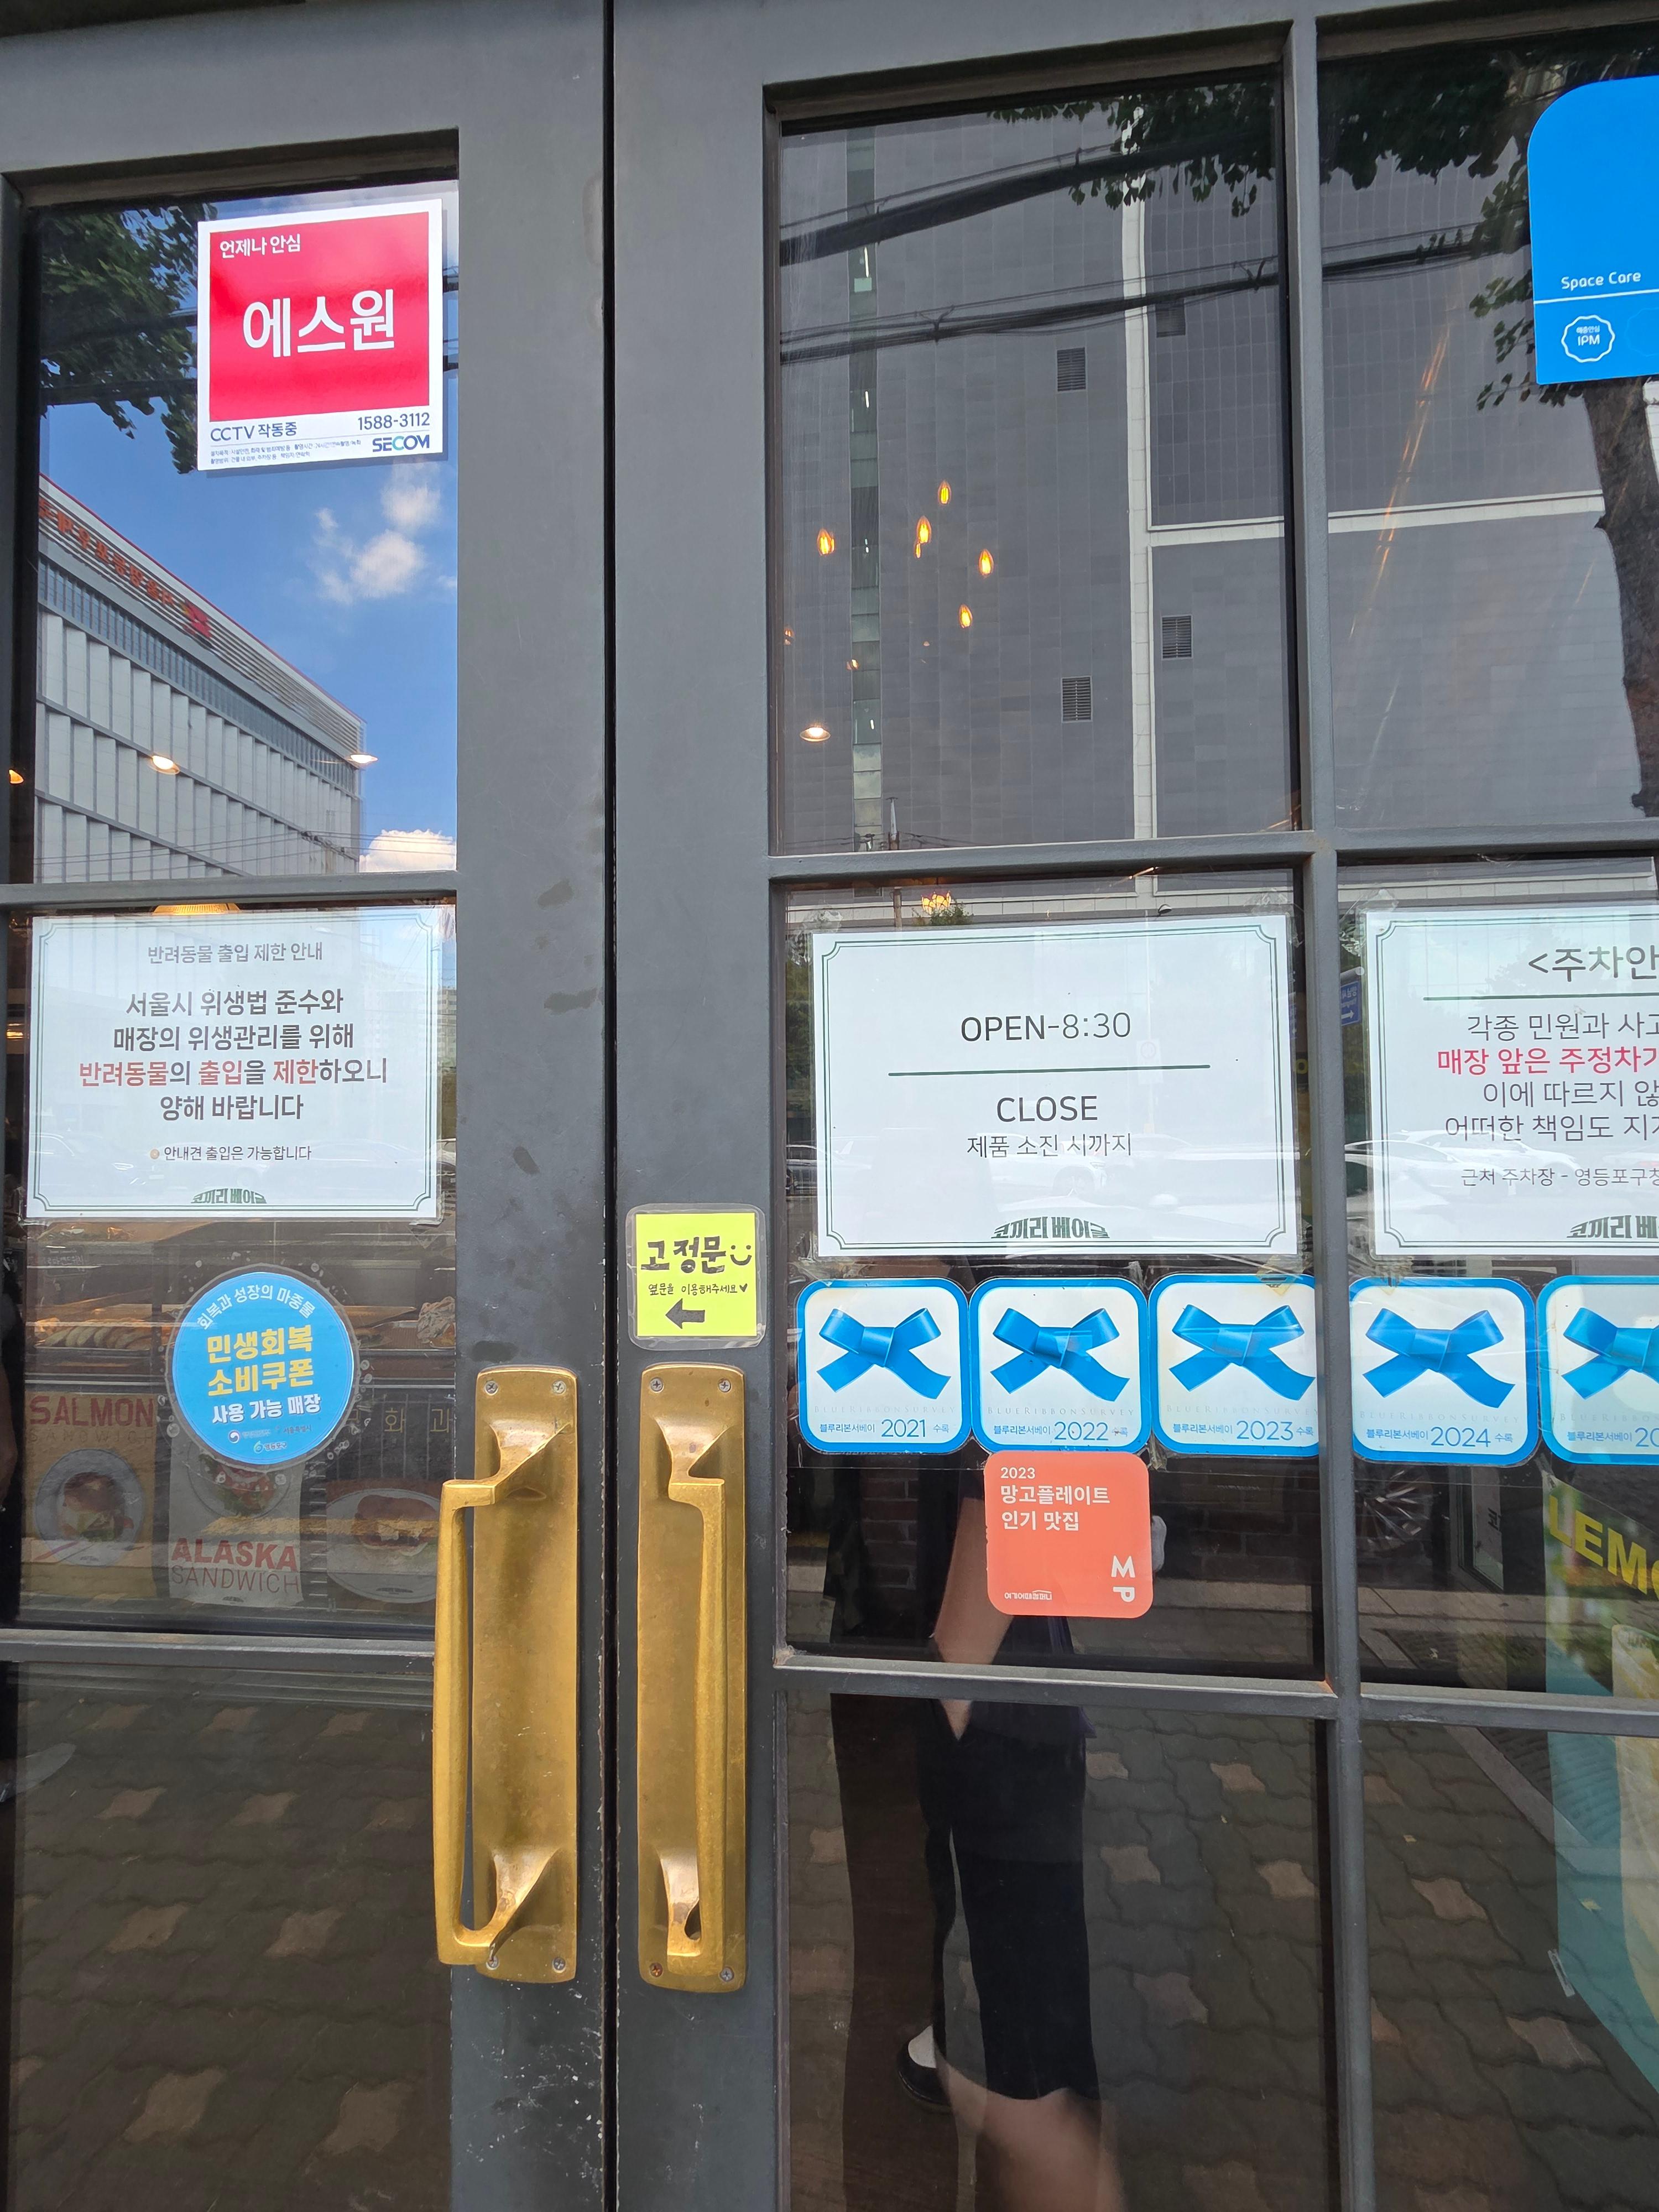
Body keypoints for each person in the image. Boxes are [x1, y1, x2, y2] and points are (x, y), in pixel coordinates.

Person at [917, 1471, 1125, 2212]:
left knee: (1036, 2083)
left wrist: (951, 1692)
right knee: (1033, 2045)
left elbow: (1015, 1468)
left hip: (1001, 1728)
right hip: (1011, 1715)